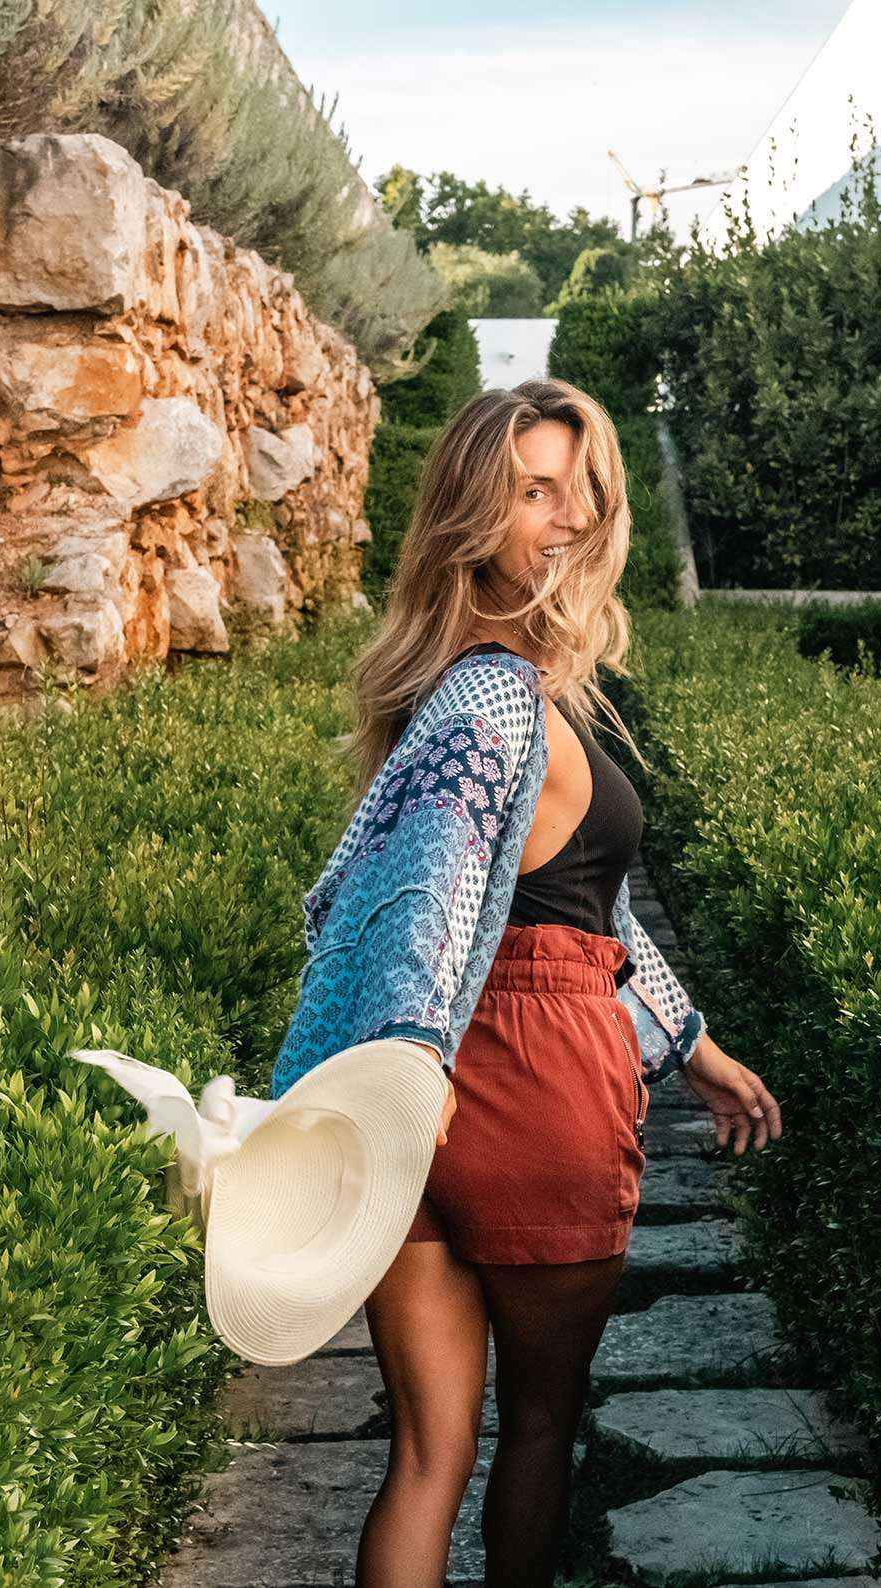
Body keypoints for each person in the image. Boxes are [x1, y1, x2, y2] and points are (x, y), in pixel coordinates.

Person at [267, 377, 785, 1586]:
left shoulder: (465, 684)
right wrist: (421, 1055)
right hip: (530, 1083)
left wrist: (695, 1050)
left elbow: (583, 911)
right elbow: (434, 902)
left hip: (425, 1105)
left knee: (424, 1454)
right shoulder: (497, 697)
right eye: (533, 492)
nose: (567, 518)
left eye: (579, 490)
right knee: (539, 1425)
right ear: (473, 514)